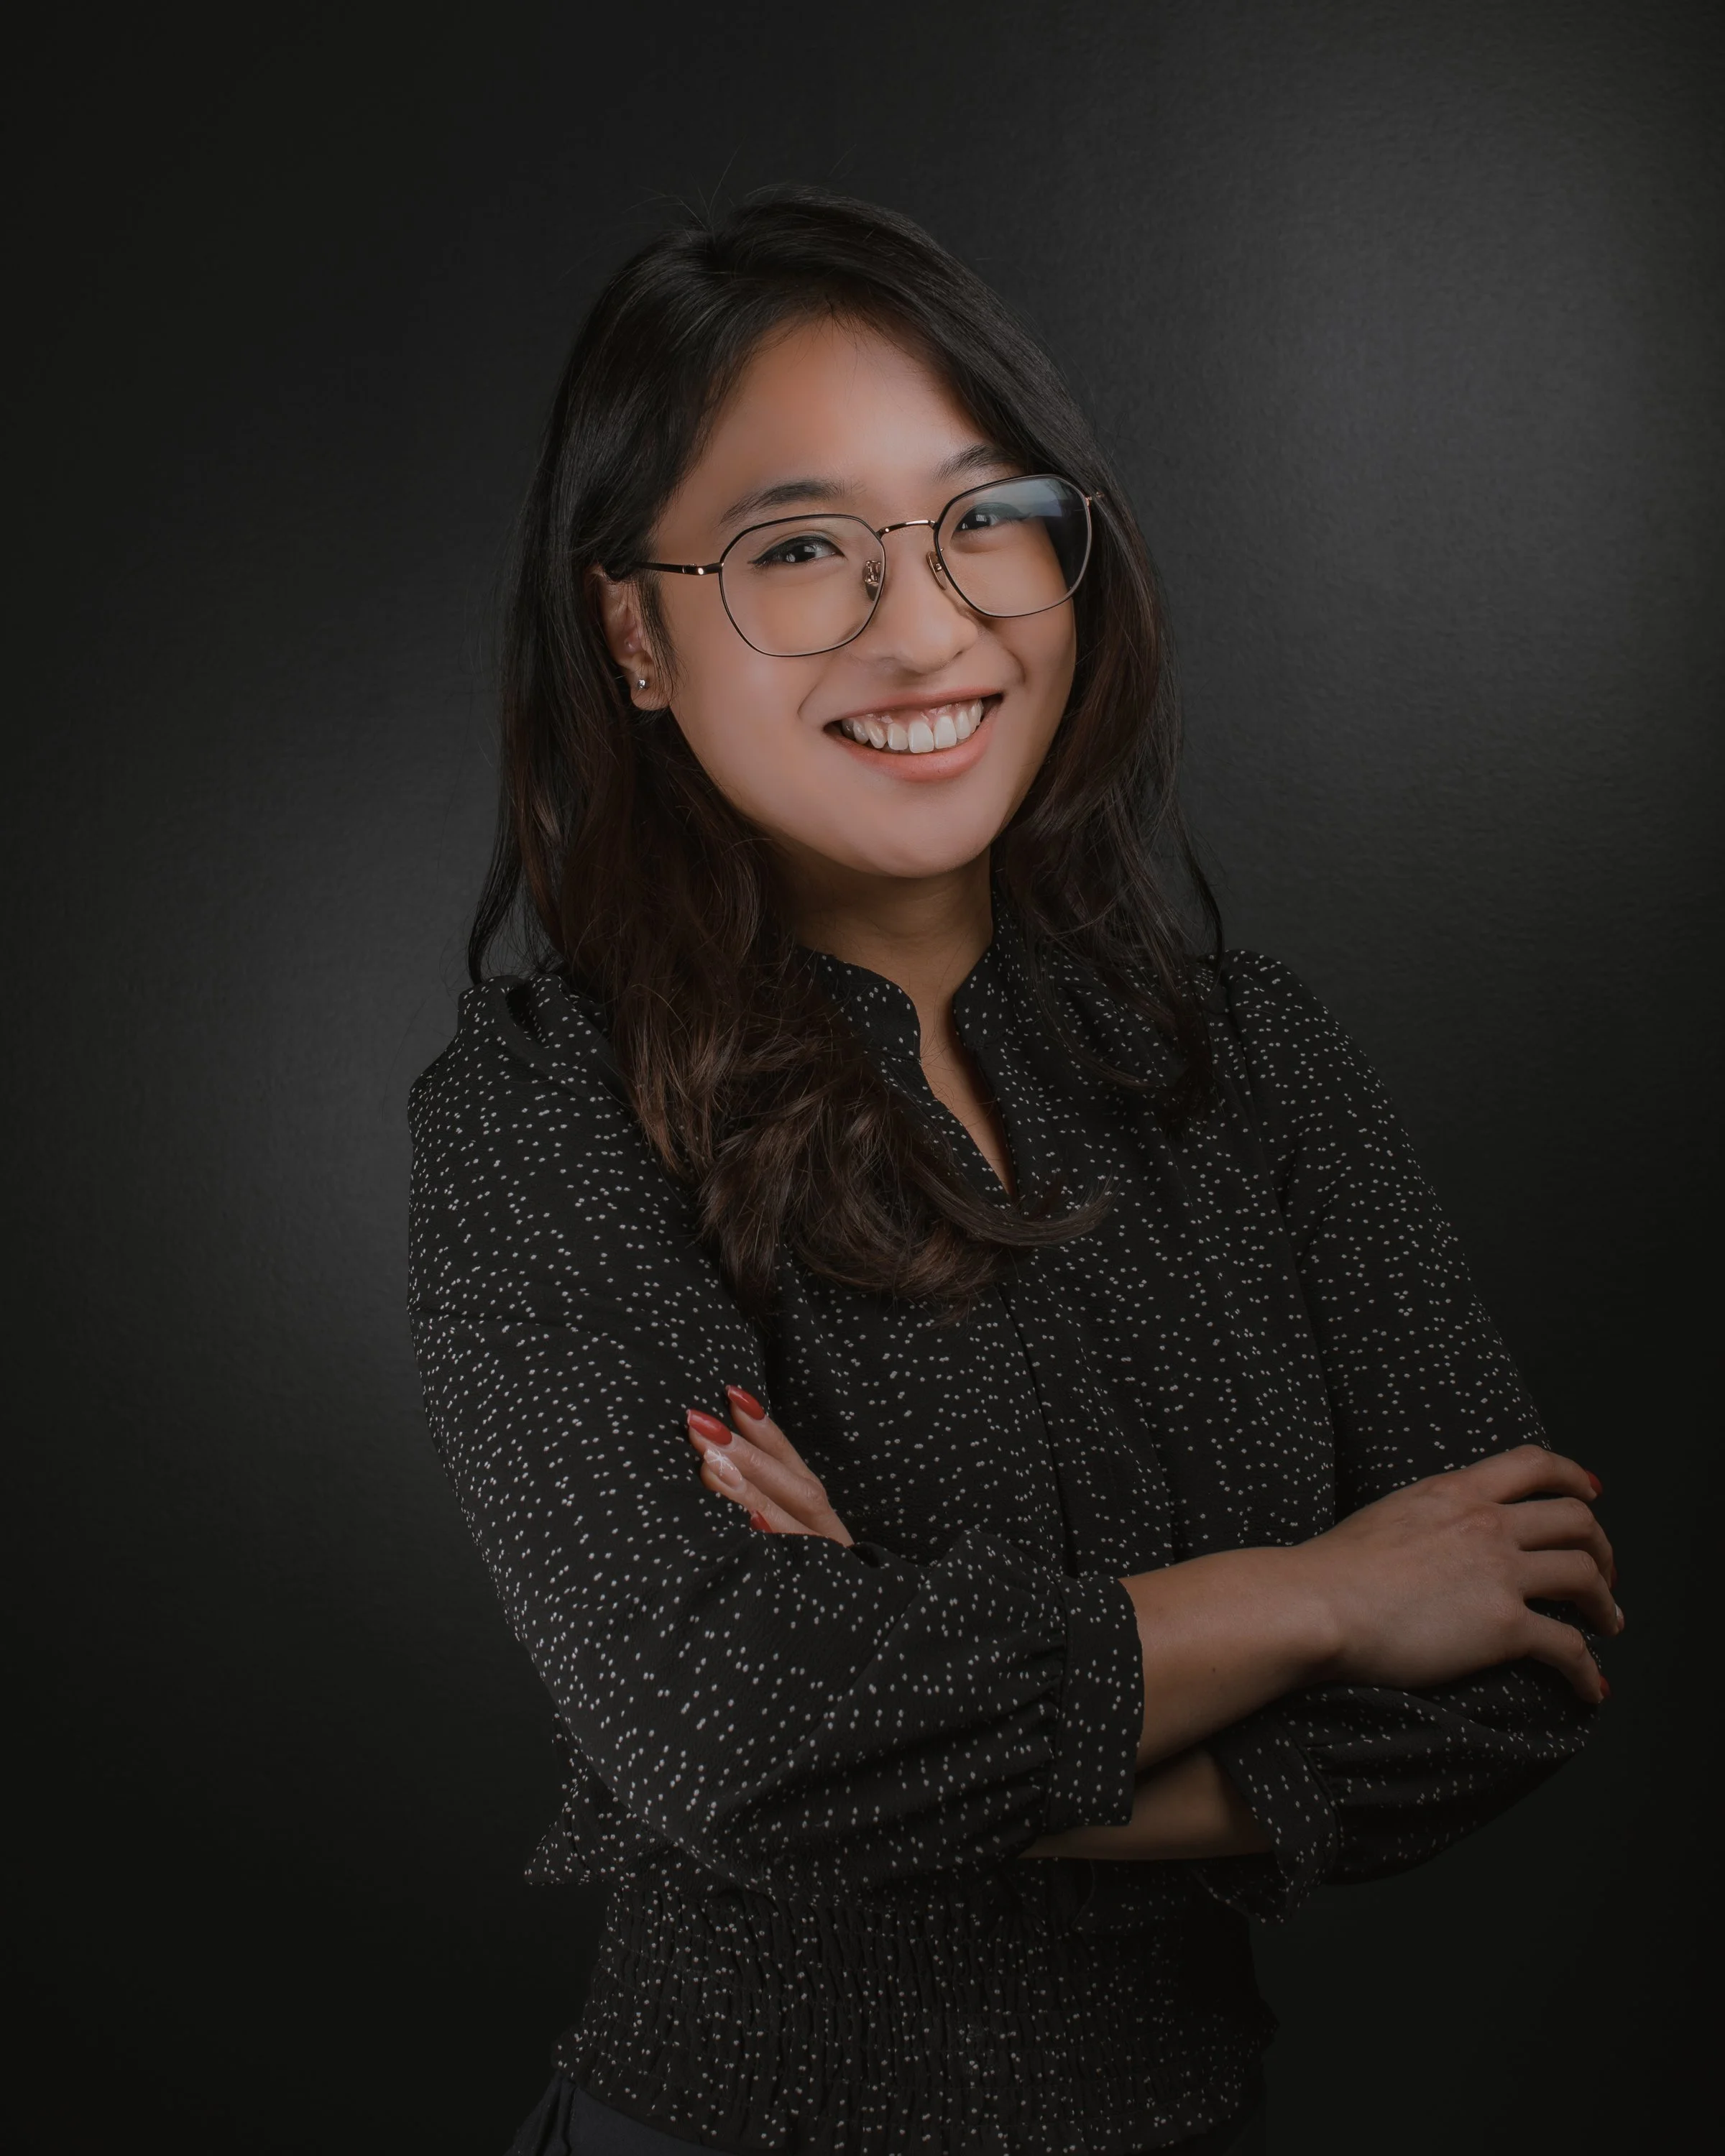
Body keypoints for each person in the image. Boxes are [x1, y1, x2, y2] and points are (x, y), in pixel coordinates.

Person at [407, 188, 1619, 2156]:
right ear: (632, 631)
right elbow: (740, 1731)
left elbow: (1516, 1664)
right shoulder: (545, 1123)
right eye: (802, 548)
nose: (931, 621)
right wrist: (1316, 1602)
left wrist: (899, 1723)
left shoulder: (1254, 1069)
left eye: (988, 518)